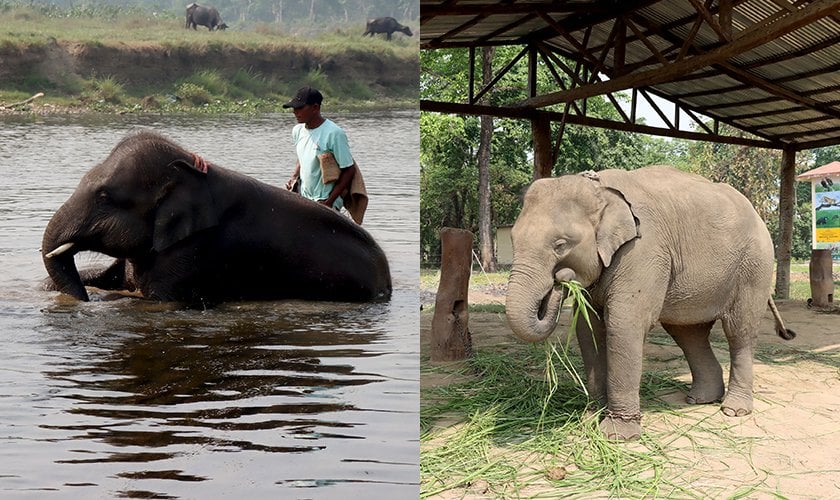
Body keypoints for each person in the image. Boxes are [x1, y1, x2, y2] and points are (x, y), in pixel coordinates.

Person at [283, 86, 357, 210]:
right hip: (305, 199)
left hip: (325, 202)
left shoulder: (334, 133)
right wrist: (294, 178)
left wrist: (329, 202)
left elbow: (349, 169)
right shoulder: (298, 131)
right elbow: (302, 158)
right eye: (294, 108)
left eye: (300, 108)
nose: (295, 112)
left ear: (315, 108)